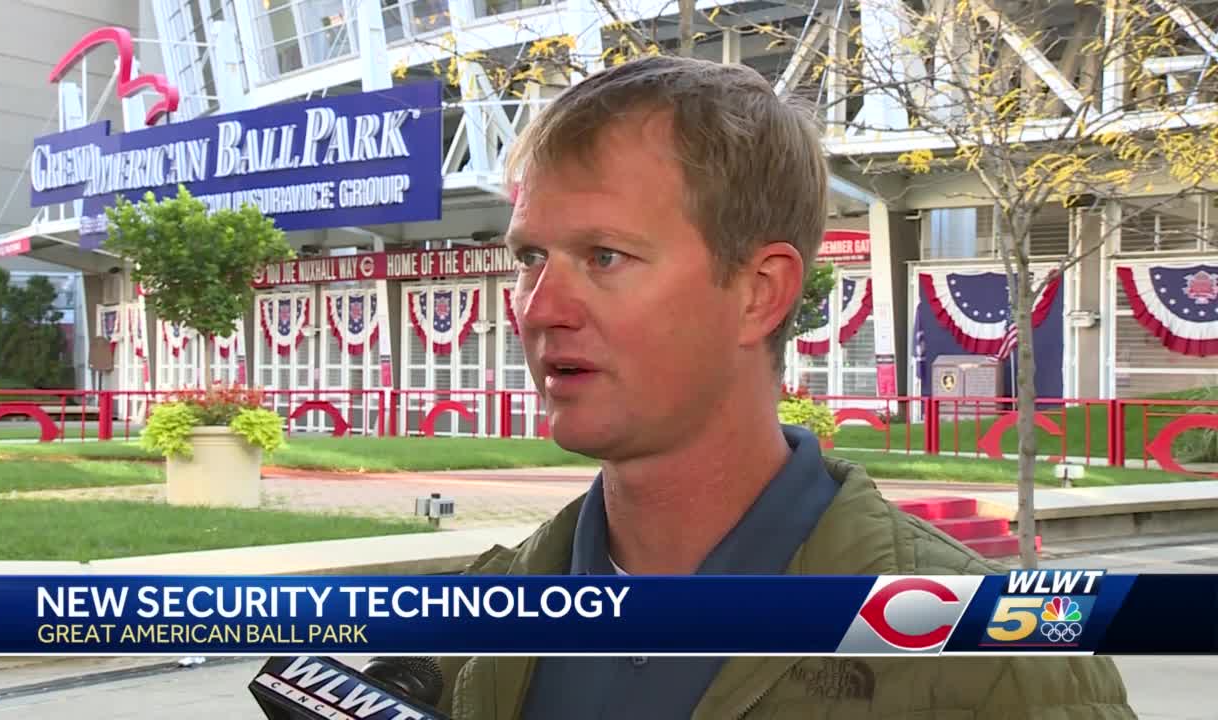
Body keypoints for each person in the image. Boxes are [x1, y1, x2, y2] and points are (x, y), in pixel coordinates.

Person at [435, 55, 1133, 719]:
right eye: (531, 257)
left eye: (605, 256)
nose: (540, 307)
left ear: (759, 293)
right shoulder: (465, 629)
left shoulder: (1001, 661)